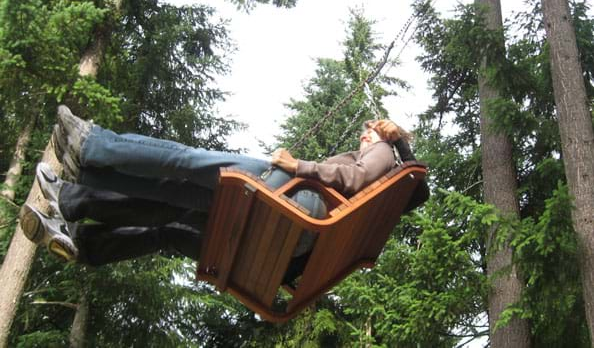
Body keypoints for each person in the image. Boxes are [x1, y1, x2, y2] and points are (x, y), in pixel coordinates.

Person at [20, 106, 426, 270]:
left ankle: (90, 146)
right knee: (171, 203)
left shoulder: (389, 158)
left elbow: (352, 177)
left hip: (288, 205)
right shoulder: (370, 223)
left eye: (367, 132)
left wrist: (295, 164)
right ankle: (76, 212)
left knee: (186, 162)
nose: (363, 137)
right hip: (276, 248)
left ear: (386, 134)